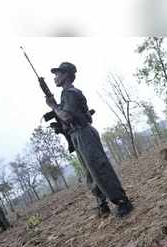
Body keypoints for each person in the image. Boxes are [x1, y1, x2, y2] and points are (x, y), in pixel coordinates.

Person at [45, 62, 134, 219]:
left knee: (100, 169)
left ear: (66, 75)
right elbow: (68, 117)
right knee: (90, 172)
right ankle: (102, 204)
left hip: (84, 134)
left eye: (57, 73)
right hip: (78, 135)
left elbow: (67, 116)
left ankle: (122, 202)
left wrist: (53, 106)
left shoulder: (70, 93)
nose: (55, 77)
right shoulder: (66, 94)